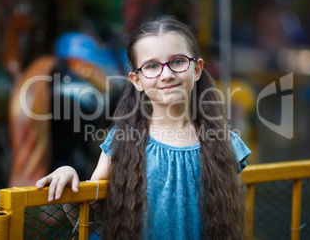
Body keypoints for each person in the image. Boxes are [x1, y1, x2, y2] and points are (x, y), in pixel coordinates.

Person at [36, 15, 251, 239]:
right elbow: (89, 218)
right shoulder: (122, 141)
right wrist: (70, 180)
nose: (166, 75)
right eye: (152, 66)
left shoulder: (224, 143)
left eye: (177, 61)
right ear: (137, 80)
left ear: (196, 69)